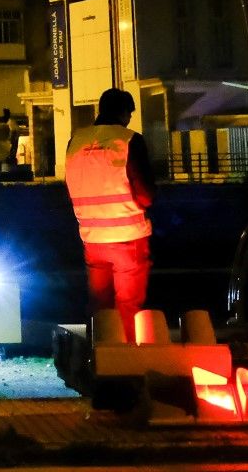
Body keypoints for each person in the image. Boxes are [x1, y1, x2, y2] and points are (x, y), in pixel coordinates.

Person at [64, 86, 155, 344]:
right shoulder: (128, 140)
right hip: (129, 238)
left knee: (99, 306)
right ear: (125, 113)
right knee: (128, 305)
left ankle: (99, 354)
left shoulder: (76, 141)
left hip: (92, 239)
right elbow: (146, 195)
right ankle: (124, 361)